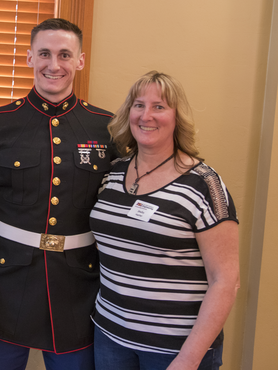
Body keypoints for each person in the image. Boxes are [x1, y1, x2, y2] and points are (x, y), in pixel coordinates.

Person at [0, 18, 117, 370]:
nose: (53, 65)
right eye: (44, 53)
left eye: (64, 54)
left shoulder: (105, 127)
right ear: (29, 57)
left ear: (80, 60)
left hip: (78, 295)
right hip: (5, 293)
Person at [90, 71, 239, 370]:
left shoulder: (204, 184)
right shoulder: (112, 173)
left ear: (176, 117)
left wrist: (188, 359)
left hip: (174, 350)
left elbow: (226, 281)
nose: (147, 115)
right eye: (138, 105)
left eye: (159, 106)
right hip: (110, 338)